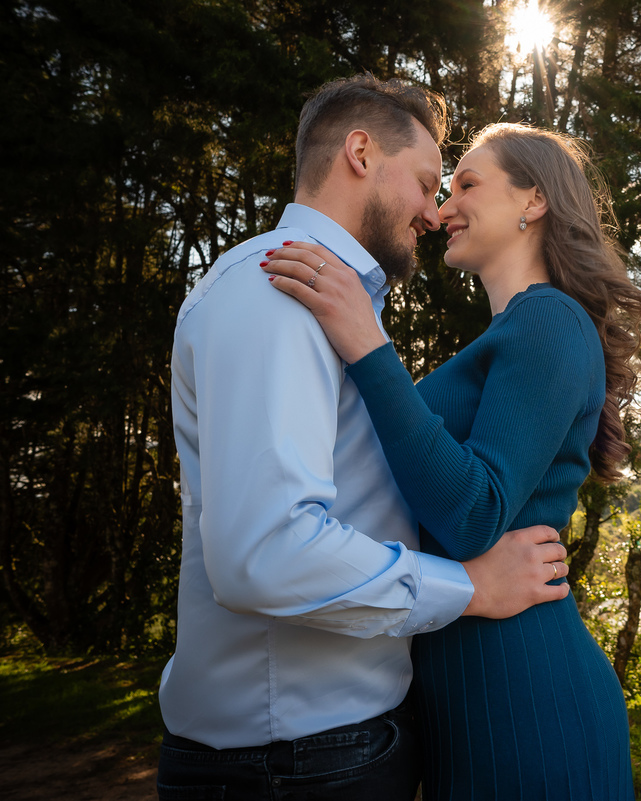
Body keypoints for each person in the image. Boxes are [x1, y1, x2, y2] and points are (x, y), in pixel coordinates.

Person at [156, 76, 572, 801]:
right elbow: (266, 554)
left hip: (326, 752)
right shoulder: (277, 290)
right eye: (427, 183)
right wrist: (469, 587)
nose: (434, 212)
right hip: (290, 762)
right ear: (360, 153)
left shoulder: (332, 303)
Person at [261, 122, 641, 800]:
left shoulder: (548, 318)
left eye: (467, 186)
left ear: (533, 200)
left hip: (528, 705)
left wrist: (368, 347)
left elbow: (474, 513)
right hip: (470, 705)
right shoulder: (513, 333)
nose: (443, 208)